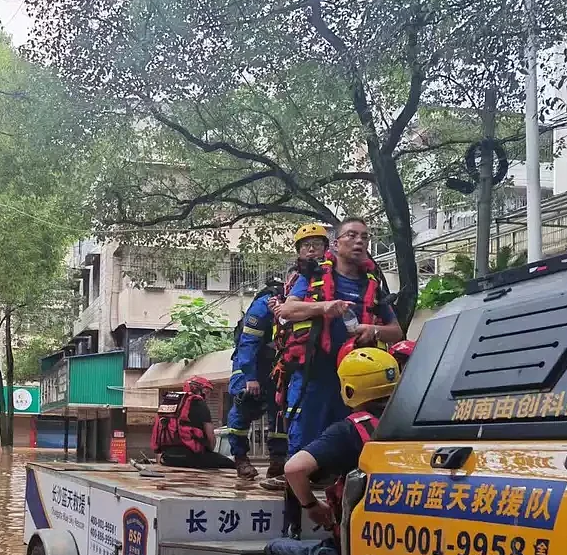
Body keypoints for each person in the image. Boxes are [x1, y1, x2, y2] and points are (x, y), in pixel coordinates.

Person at [271, 217, 404, 536]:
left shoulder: (373, 280)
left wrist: (369, 329)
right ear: (337, 242)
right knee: (301, 446)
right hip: (316, 374)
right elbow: (287, 311)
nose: (359, 242)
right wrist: (324, 307)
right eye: (352, 236)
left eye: (365, 237)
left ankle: (346, 529)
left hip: (359, 382)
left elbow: (396, 330)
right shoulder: (313, 275)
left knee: (353, 451)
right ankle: (294, 524)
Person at [264, 347, 400, 555]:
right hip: (401, 554)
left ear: (349, 390)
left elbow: (294, 469)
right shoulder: (416, 418)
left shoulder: (349, 430)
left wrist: (311, 506)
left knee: (276, 550)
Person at [226, 276, 288, 481]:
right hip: (249, 365)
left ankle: (277, 463)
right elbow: (248, 343)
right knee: (244, 407)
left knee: (279, 413)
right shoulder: (265, 305)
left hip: (275, 368)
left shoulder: (301, 303)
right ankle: (241, 459)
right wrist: (251, 378)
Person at [151, 376, 236, 470]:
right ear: (198, 389)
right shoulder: (199, 403)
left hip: (167, 458)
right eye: (207, 392)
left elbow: (156, 434)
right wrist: (209, 451)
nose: (207, 397)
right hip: (193, 456)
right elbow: (210, 437)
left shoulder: (167, 403)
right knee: (233, 465)